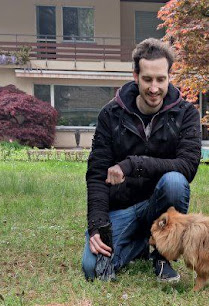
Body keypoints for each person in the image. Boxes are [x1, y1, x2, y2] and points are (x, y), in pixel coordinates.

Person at [82, 38, 201, 282]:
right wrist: (97, 225)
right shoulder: (110, 114)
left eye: (160, 79)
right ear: (135, 76)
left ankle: (161, 254)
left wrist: (132, 164)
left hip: (159, 208)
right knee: (93, 269)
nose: (154, 88)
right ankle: (139, 243)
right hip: (121, 209)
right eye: (147, 79)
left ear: (169, 76)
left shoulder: (187, 114)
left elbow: (187, 166)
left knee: (175, 181)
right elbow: (96, 173)